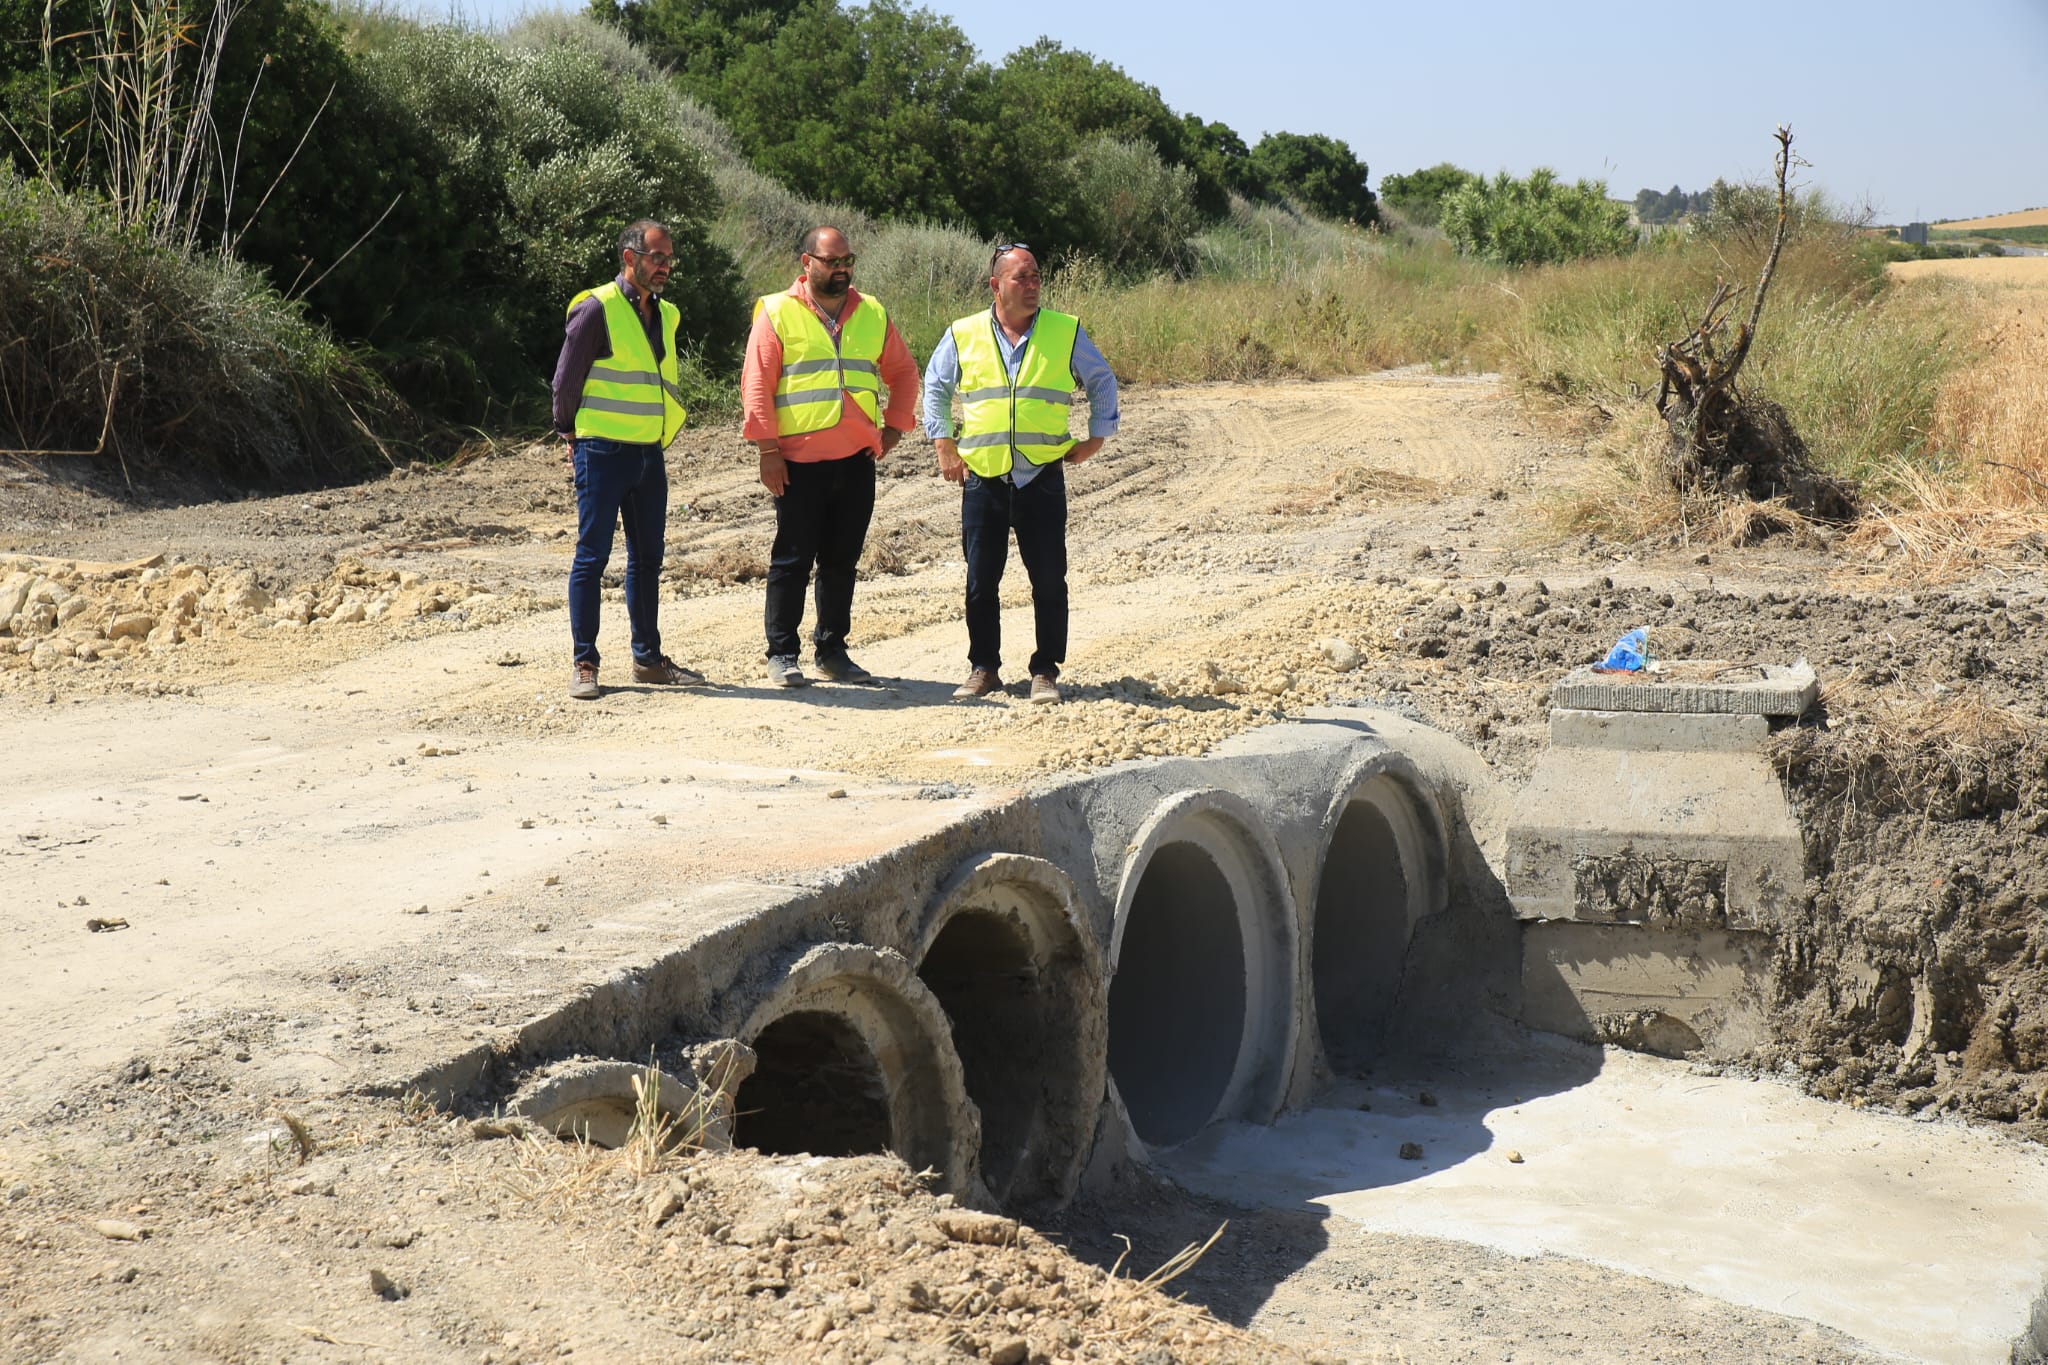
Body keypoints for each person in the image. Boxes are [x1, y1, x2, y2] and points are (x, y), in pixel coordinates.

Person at [922, 243, 1118, 704]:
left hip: (1042, 478)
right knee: (980, 582)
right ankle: (983, 667)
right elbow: (935, 385)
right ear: (996, 286)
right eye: (1020, 278)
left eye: (1035, 277)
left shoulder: (1063, 330)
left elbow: (1101, 380)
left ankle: (1045, 670)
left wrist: (1097, 435)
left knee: (1049, 579)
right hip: (983, 479)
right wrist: (944, 443)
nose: (1031, 286)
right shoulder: (963, 333)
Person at [741, 225, 920, 688]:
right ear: (807, 263)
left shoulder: (872, 312)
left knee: (842, 561)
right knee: (792, 559)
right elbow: (757, 384)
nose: (841, 269)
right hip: (798, 463)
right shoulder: (777, 311)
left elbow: (902, 371)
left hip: (856, 460)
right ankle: (782, 653)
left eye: (847, 261)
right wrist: (767, 450)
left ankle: (833, 650)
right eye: (830, 261)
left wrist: (896, 424)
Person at [552, 218, 704, 701]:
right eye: (656, 257)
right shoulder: (597, 308)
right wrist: (569, 432)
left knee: (646, 560)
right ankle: (585, 662)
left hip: (647, 454)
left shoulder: (664, 313)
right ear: (629, 257)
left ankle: (647, 658)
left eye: (668, 259)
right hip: (600, 451)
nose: (664, 266)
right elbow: (565, 380)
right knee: (591, 558)